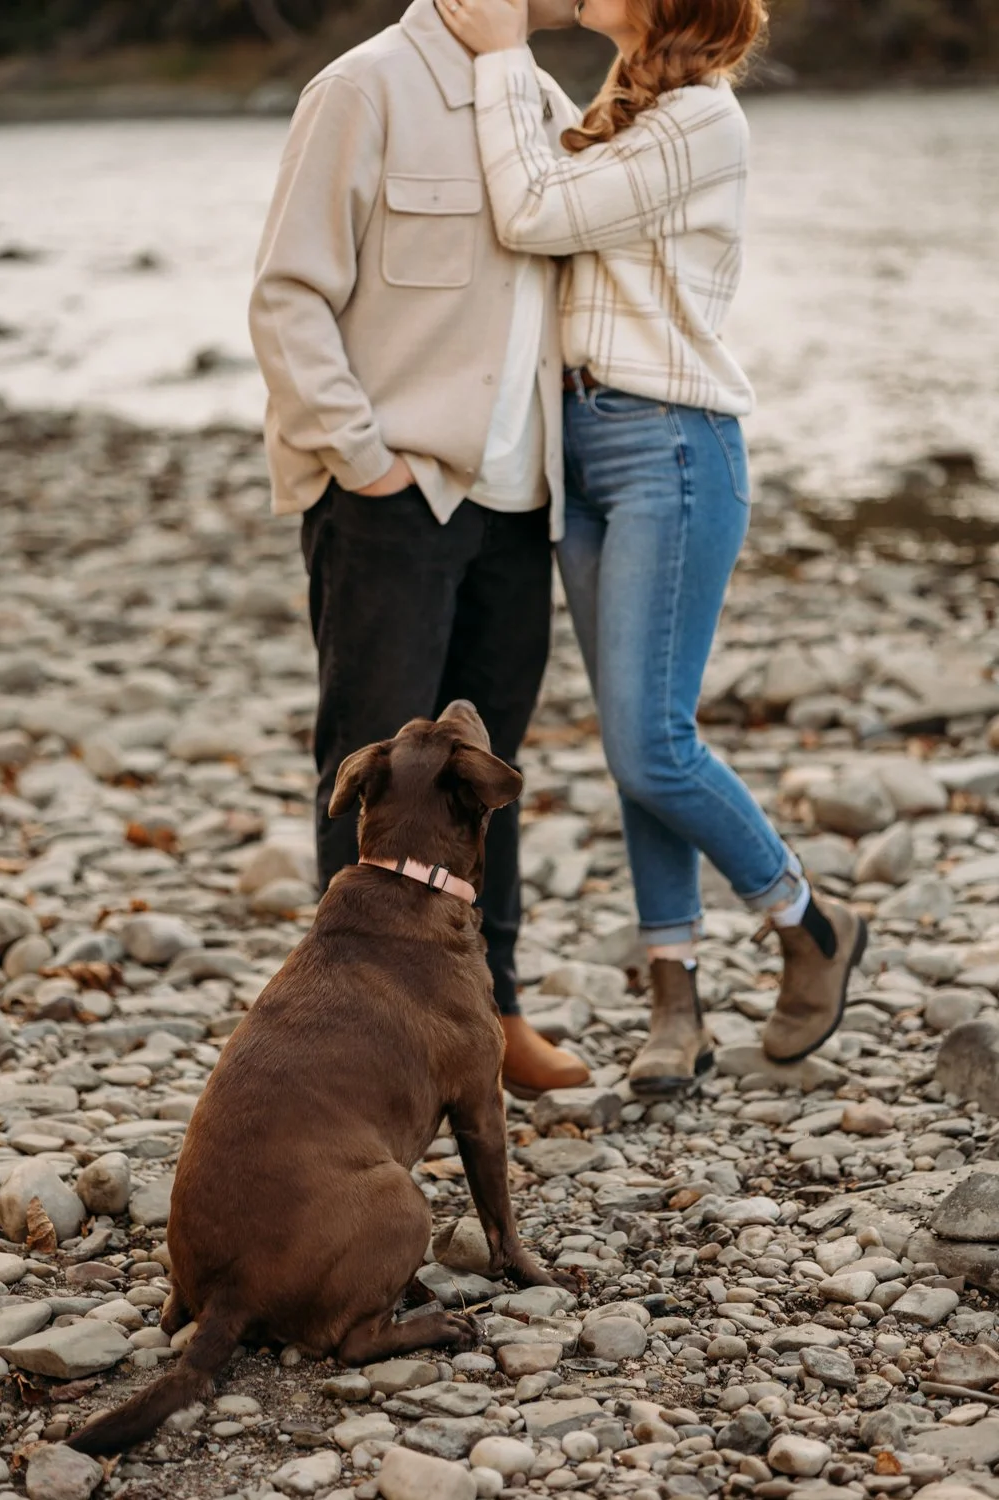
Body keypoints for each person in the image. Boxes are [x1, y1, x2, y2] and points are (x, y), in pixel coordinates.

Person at [446, 0, 867, 1094]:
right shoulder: (625, 101)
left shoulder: (700, 119)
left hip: (669, 446)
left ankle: (807, 919)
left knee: (649, 744)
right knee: (642, 743)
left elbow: (534, 212)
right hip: (582, 447)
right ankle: (673, 1003)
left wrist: (500, 60)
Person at [249, 0, 592, 1098]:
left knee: (487, 780)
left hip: (517, 499)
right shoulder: (360, 89)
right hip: (393, 494)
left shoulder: (536, 94)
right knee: (368, 773)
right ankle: (356, 1038)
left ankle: (490, 1019)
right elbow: (287, 297)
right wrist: (365, 460)